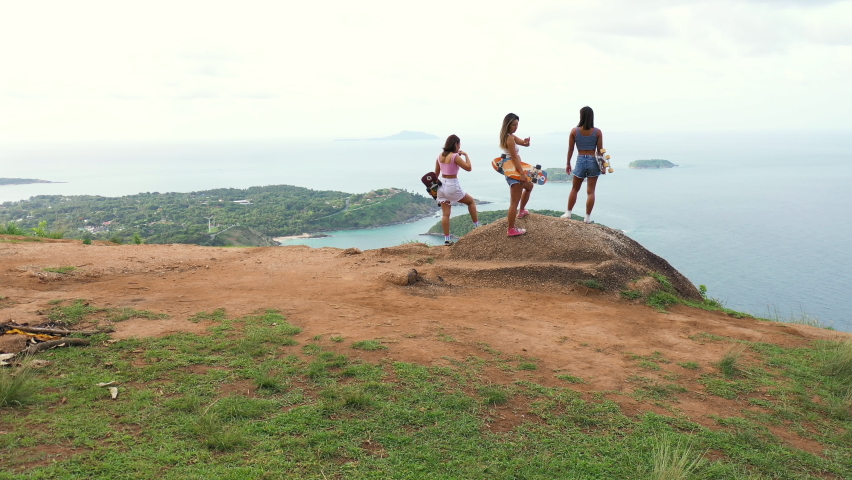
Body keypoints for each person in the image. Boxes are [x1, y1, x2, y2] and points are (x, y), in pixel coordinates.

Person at [434, 134, 479, 246]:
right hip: (451, 185)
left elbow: (435, 174)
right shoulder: (455, 156)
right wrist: (466, 155)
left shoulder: (439, 156)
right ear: (456, 144)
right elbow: (469, 168)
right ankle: (477, 226)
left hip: (441, 185)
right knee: (470, 201)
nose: (459, 147)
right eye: (459, 144)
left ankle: (447, 239)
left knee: (445, 214)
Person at [562, 106, 603, 224]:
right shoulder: (597, 132)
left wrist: (568, 163)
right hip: (593, 161)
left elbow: (570, 149)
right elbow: (600, 151)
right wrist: (603, 166)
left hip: (580, 159)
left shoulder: (574, 131)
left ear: (581, 116)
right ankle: (587, 218)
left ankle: (568, 213)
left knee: (575, 188)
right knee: (591, 191)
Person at [499, 113, 533, 236]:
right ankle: (511, 229)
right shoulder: (509, 138)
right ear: (507, 125)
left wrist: (526, 142)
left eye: (517, 124)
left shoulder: (511, 137)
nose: (515, 127)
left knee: (529, 187)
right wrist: (522, 174)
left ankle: (522, 210)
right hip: (513, 171)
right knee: (514, 202)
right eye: (513, 125)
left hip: (514, 170)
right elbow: (514, 157)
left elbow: (523, 143)